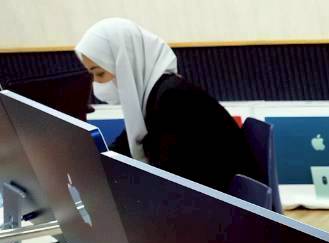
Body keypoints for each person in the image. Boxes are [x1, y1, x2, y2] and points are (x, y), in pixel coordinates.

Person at [75, 18, 257, 194]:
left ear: (126, 64)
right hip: (210, 193)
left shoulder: (173, 98)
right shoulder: (153, 95)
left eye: (100, 73)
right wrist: (94, 166)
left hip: (229, 202)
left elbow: (170, 175)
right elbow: (124, 148)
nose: (96, 84)